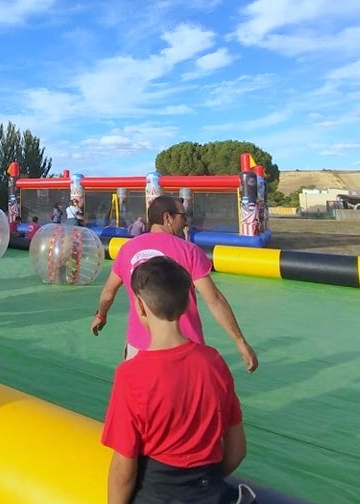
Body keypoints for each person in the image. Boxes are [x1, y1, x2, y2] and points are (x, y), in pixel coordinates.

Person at [101, 257, 255, 504]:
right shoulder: (214, 362)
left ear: (139, 306)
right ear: (186, 305)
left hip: (157, 493)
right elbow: (237, 450)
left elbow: (123, 470)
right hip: (210, 490)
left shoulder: (130, 375)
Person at [91, 195, 258, 372]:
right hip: (183, 348)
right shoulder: (189, 251)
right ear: (167, 217)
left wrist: (101, 315)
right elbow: (214, 300)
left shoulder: (127, 249)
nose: (186, 222)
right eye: (183, 216)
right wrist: (239, 341)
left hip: (139, 348)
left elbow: (109, 292)